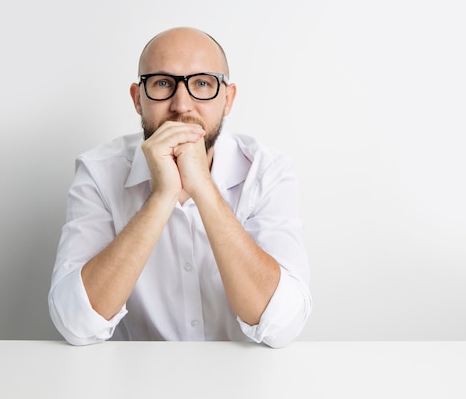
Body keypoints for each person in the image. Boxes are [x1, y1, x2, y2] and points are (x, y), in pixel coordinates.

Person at [48, 27, 312, 348]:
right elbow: (76, 324)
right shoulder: (99, 171)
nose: (182, 105)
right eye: (162, 83)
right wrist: (162, 196)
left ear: (227, 99)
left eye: (202, 83)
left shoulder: (267, 171)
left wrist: (203, 189)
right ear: (137, 98)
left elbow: (281, 325)